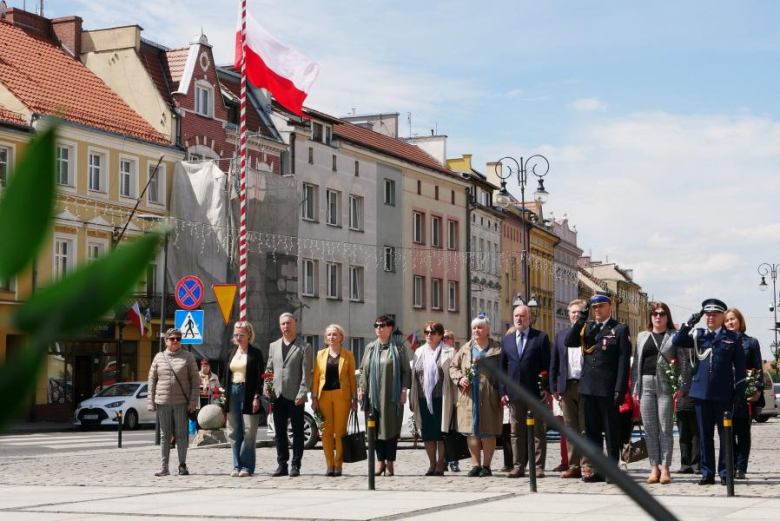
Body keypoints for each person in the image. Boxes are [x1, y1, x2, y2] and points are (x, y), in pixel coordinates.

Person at [673, 298, 746, 485]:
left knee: (725, 436)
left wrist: (739, 392)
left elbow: (739, 368)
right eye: (708, 314)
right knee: (704, 436)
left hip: (723, 394)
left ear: (723, 316)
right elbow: (678, 340)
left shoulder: (733, 338)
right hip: (701, 393)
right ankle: (707, 473)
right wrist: (689, 323)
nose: (710, 317)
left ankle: (724, 473)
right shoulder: (699, 335)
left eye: (715, 314)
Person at [564, 293, 631, 483]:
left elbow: (623, 362)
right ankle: (597, 469)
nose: (597, 310)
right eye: (594, 308)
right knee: (592, 432)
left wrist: (620, 389)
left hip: (608, 387)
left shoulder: (619, 329)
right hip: (588, 386)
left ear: (609, 307)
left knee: (611, 431)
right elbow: (569, 342)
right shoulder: (588, 328)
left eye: (601, 306)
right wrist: (580, 321)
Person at [631, 302, 687, 484]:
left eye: (662, 314)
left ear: (667, 316)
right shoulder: (641, 336)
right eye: (654, 313)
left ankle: (665, 468)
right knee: (650, 429)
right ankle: (653, 468)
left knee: (665, 429)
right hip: (646, 383)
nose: (657, 317)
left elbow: (683, 362)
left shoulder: (674, 336)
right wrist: (635, 388)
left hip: (666, 385)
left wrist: (681, 387)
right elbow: (636, 364)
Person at [500, 305, 550, 479]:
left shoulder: (540, 338)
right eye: (516, 316)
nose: (519, 319)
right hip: (514, 394)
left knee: (538, 431)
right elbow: (502, 369)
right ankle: (518, 466)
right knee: (516, 432)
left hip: (535, 392)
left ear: (529, 318)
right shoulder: (506, 341)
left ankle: (538, 467)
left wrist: (546, 388)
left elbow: (547, 366)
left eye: (522, 316)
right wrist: (503, 391)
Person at [449, 314, 503, 477]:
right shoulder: (465, 349)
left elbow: (505, 371)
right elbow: (453, 367)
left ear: (488, 330)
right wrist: (460, 379)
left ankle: (486, 465)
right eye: (474, 328)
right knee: (471, 431)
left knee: (488, 430)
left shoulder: (497, 349)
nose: (476, 330)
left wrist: (500, 389)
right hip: (469, 395)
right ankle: (475, 464)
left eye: (480, 327)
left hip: (489, 394)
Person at [358, 315, 411, 476]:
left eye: (382, 325)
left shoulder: (398, 348)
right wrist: (361, 389)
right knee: (374, 431)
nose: (378, 328)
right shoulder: (370, 348)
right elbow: (363, 371)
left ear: (390, 328)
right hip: (373, 397)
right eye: (376, 325)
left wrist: (403, 391)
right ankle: (379, 462)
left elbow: (406, 372)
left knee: (390, 430)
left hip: (391, 397)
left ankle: (390, 463)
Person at [147, 328, 199, 477]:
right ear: (166, 341)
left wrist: (193, 401)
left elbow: (195, 380)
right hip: (163, 402)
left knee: (182, 434)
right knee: (165, 435)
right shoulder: (158, 357)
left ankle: (182, 465)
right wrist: (151, 402)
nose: (175, 341)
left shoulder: (188, 357)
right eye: (172, 339)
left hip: (182, 402)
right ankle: (164, 466)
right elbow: (152, 381)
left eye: (178, 338)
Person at [266, 312, 312, 477]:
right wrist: (267, 385)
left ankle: (295, 465)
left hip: (295, 396)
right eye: (283, 324)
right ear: (280, 326)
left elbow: (306, 374)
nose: (286, 326)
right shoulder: (274, 346)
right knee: (279, 432)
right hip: (277, 394)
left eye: (289, 323)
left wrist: (302, 392)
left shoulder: (304, 347)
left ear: (295, 325)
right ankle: (282, 464)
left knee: (298, 432)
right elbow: (269, 369)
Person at [410, 321, 457, 476]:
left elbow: (454, 375)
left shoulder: (449, 352)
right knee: (428, 433)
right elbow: (415, 376)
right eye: (427, 332)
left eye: (433, 332)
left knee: (441, 432)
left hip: (442, 398)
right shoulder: (419, 352)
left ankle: (440, 463)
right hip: (423, 399)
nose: (429, 335)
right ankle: (431, 463)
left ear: (440, 335)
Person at [311, 324, 357, 477]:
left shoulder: (348, 355)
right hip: (324, 396)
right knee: (326, 432)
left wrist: (354, 399)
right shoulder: (320, 354)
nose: (332, 337)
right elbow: (316, 377)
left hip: (341, 396)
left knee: (340, 432)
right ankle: (329, 464)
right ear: (326, 338)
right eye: (329, 335)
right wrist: (314, 397)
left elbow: (352, 379)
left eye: (335, 334)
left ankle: (338, 464)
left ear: (341, 337)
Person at [724, 307, 763, 480]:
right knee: (728, 433)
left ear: (740, 321)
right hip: (726, 394)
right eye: (727, 320)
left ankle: (741, 467)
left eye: (733, 319)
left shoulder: (751, 342)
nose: (730, 322)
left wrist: (757, 390)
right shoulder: (722, 341)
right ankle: (730, 466)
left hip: (745, 394)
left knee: (743, 433)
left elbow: (758, 369)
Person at [550, 299, 587, 479]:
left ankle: (587, 465)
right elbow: (554, 363)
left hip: (586, 386)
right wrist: (553, 387)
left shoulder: (590, 333)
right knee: (570, 428)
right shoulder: (561, 335)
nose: (575, 315)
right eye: (573, 312)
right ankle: (574, 465)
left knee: (585, 427)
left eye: (579, 312)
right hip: (566, 386)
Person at [225, 321, 264, 477]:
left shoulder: (256, 353)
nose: (238, 337)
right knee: (234, 431)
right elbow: (225, 376)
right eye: (236, 335)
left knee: (249, 431)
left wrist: (257, 396)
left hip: (248, 392)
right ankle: (236, 465)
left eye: (241, 334)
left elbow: (261, 377)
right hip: (233, 391)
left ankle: (247, 467)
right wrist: (223, 398)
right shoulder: (231, 352)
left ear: (249, 335)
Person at [442, 330, 461, 473]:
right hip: (442, 397)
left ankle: (454, 460)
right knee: (444, 431)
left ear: (453, 341)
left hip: (455, 398)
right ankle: (443, 460)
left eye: (447, 337)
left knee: (453, 431)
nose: (444, 339)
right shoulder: (439, 353)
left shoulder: (457, 354)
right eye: (442, 337)